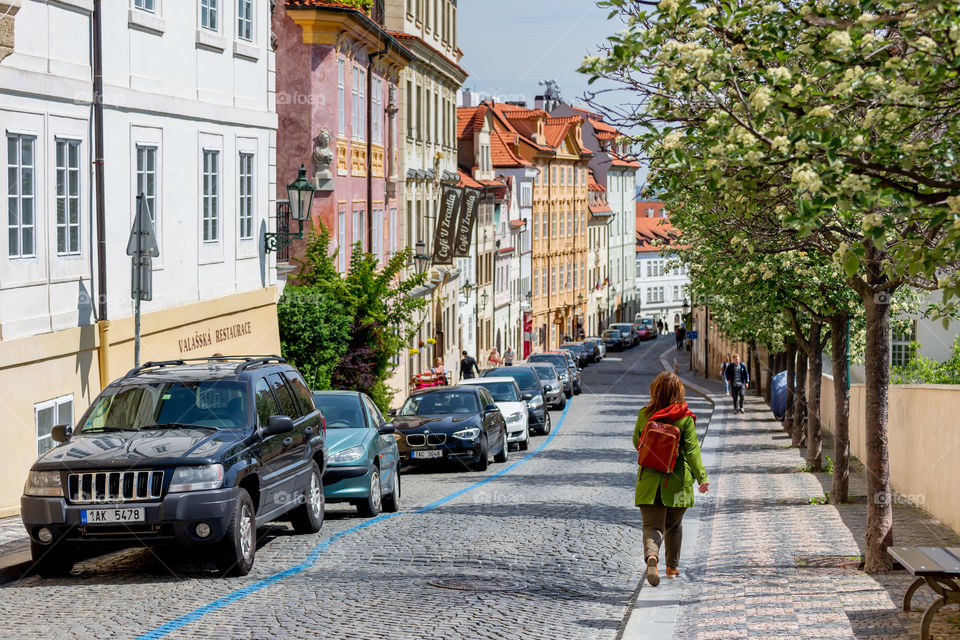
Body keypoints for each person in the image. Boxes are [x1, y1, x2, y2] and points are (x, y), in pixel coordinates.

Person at [633, 371, 709, 586]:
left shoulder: (644, 415)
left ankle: (652, 558)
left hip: (649, 480)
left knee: (652, 526)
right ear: (679, 392)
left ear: (655, 390)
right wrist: (701, 477)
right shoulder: (684, 418)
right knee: (674, 525)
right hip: (677, 480)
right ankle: (672, 567)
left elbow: (637, 443)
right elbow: (693, 450)